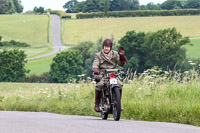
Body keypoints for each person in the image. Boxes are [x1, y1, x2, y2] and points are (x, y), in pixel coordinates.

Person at [92, 39, 128, 112]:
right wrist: (95, 69)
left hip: (113, 74)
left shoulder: (115, 54)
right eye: (105, 46)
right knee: (100, 85)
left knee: (120, 84)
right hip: (102, 74)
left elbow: (122, 64)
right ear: (103, 47)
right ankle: (97, 104)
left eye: (108, 47)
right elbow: (95, 64)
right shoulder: (98, 55)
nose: (106, 48)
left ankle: (118, 104)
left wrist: (122, 57)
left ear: (110, 47)